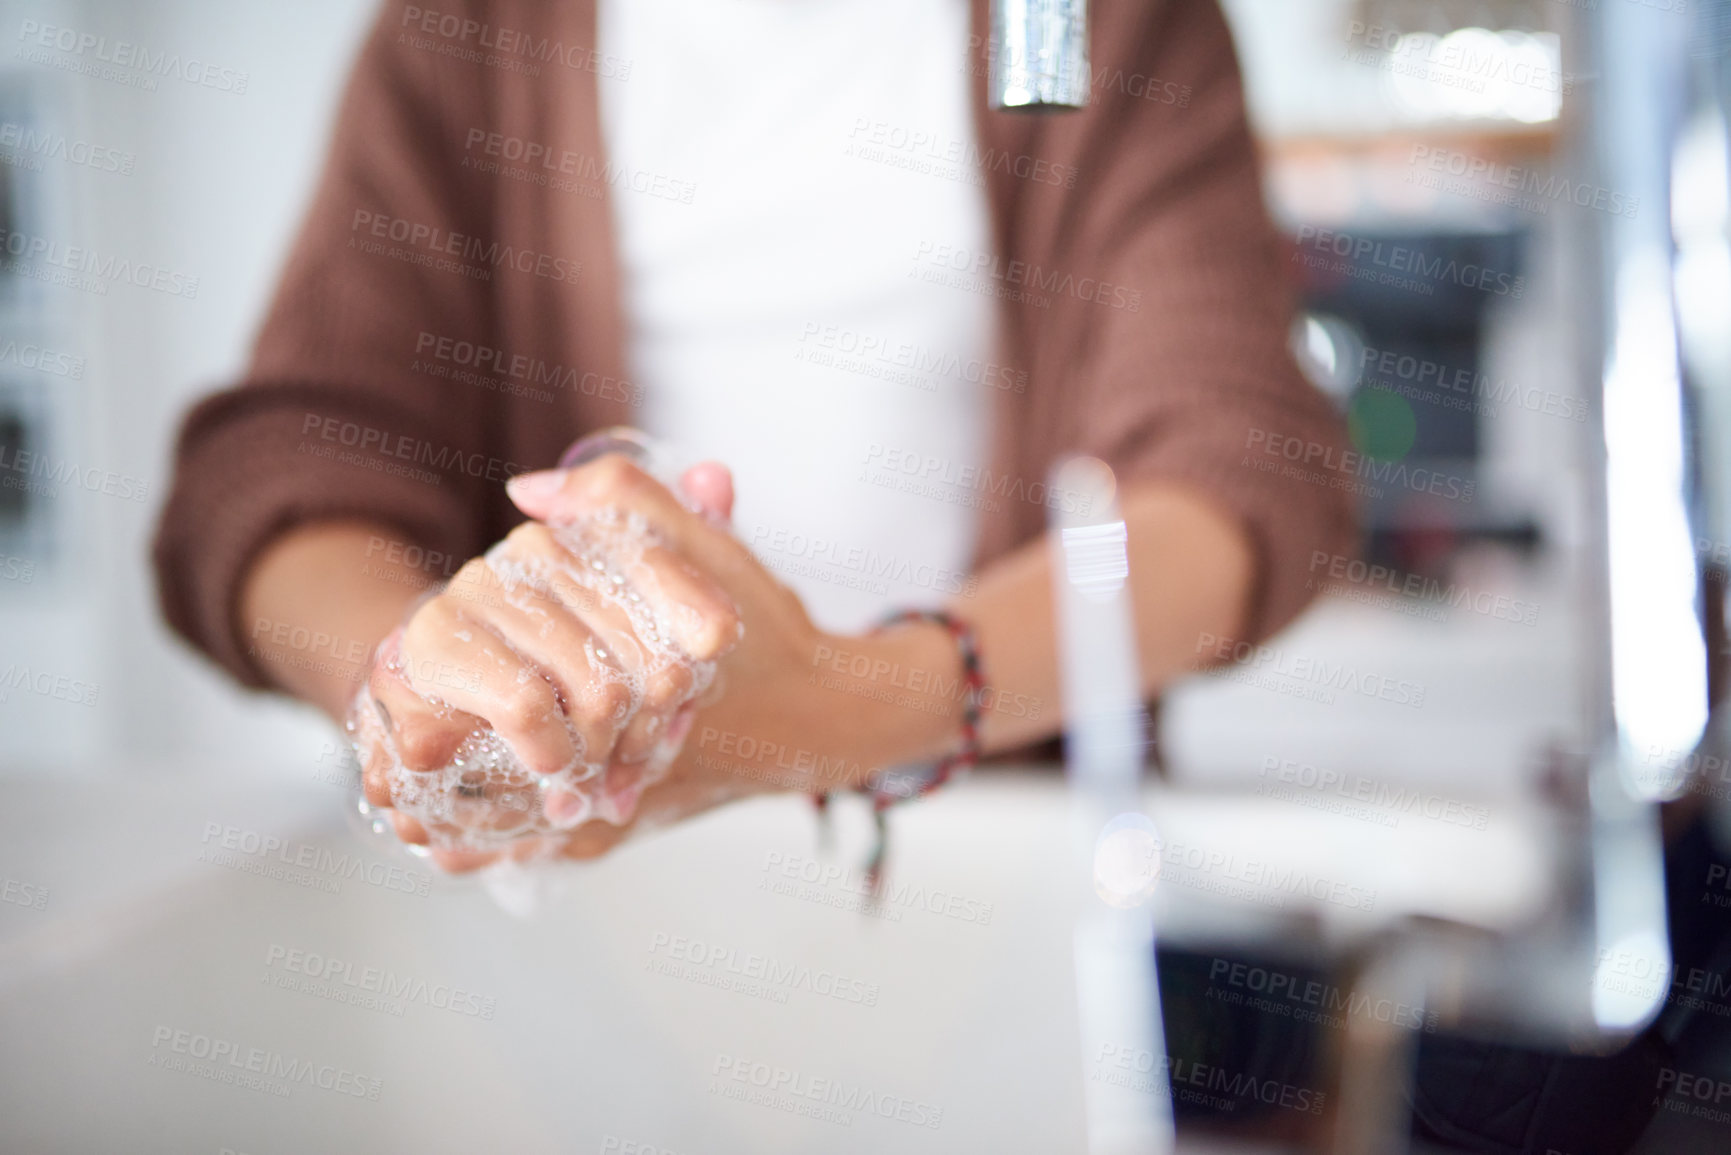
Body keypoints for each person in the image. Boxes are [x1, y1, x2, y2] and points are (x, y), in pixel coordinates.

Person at [153, 0, 1353, 871]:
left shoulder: (1105, 26)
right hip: (563, 907)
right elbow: (279, 473)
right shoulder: (463, 33)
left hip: (978, 881)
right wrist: (414, 685)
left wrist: (856, 702)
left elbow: (1235, 480)